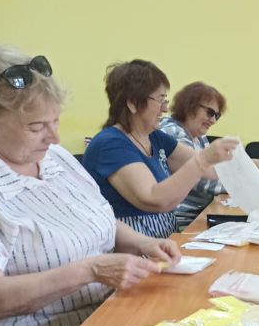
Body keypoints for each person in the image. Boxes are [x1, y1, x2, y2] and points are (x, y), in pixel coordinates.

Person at [0, 37, 181, 326]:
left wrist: (143, 242)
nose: (54, 137)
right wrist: (90, 270)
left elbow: (93, 218)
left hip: (97, 322)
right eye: (36, 127)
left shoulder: (54, 158)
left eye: (55, 121)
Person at [82, 60, 237, 238]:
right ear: (132, 103)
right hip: (132, 246)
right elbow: (155, 199)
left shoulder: (154, 137)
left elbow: (211, 170)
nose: (165, 108)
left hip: (164, 238)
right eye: (160, 100)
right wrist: (201, 160)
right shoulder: (111, 144)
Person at [160, 82, 259, 230]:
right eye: (210, 113)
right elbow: (203, 181)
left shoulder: (198, 137)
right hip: (183, 220)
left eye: (217, 115)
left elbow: (220, 166)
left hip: (201, 213)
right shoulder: (173, 133)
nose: (213, 121)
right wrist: (251, 182)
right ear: (190, 106)